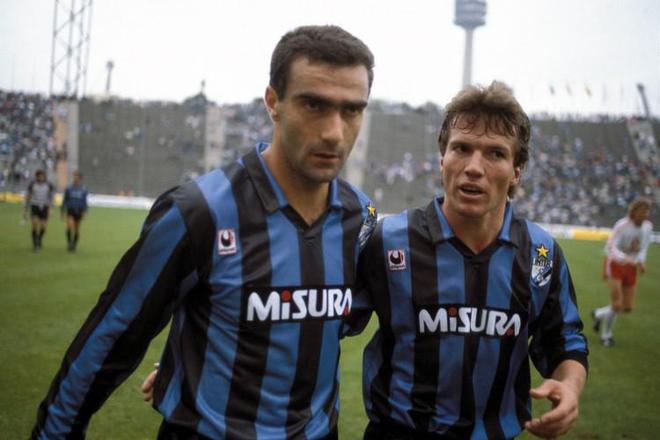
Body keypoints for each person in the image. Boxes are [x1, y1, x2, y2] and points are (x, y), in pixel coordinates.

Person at [32, 25, 376, 440]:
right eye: (313, 104)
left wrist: (190, 362)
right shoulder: (199, 212)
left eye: (351, 110)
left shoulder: (361, 218)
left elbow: (336, 322)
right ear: (273, 103)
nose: (334, 132)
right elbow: (113, 338)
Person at [351, 81, 588, 439]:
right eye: (461, 148)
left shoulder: (541, 253)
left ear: (516, 171)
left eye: (495, 154)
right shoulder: (388, 241)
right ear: (442, 159)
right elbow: (328, 322)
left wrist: (569, 386)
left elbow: (563, 340)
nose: (474, 167)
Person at [592, 197, 652, 347]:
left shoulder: (647, 227)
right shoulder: (622, 225)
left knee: (628, 307)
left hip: (631, 267)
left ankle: (598, 314)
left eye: (647, 211)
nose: (646, 214)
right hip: (615, 264)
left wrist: (641, 261)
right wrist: (625, 258)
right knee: (617, 304)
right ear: (634, 212)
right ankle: (606, 336)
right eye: (643, 211)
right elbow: (610, 247)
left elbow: (644, 247)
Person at [24, 169, 55, 252]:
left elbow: (51, 197)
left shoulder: (49, 185)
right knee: (35, 224)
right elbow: (28, 196)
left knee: (44, 227)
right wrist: (26, 207)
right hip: (35, 205)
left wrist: (51, 208)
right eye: (39, 176)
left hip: (45, 206)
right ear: (37, 176)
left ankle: (39, 238)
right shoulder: (32, 184)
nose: (41, 177)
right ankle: (35, 245)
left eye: (42, 176)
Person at [61, 170, 89, 252]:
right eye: (74, 176)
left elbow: (84, 202)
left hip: (79, 210)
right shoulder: (69, 188)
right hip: (71, 210)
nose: (75, 178)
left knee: (76, 229)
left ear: (80, 178)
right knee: (70, 226)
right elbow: (65, 200)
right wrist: (62, 211)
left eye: (77, 177)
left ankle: (74, 244)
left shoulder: (83, 189)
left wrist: (84, 212)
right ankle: (69, 242)